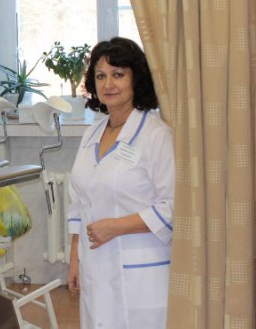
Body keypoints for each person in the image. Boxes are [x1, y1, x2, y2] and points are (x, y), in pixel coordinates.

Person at [66, 37, 175, 329]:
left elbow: (173, 207)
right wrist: (75, 259)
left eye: (118, 74)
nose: (108, 84)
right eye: (100, 76)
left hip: (142, 270)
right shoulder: (92, 134)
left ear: (135, 79)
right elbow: (79, 202)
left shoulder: (156, 135)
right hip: (95, 265)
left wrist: (116, 227)